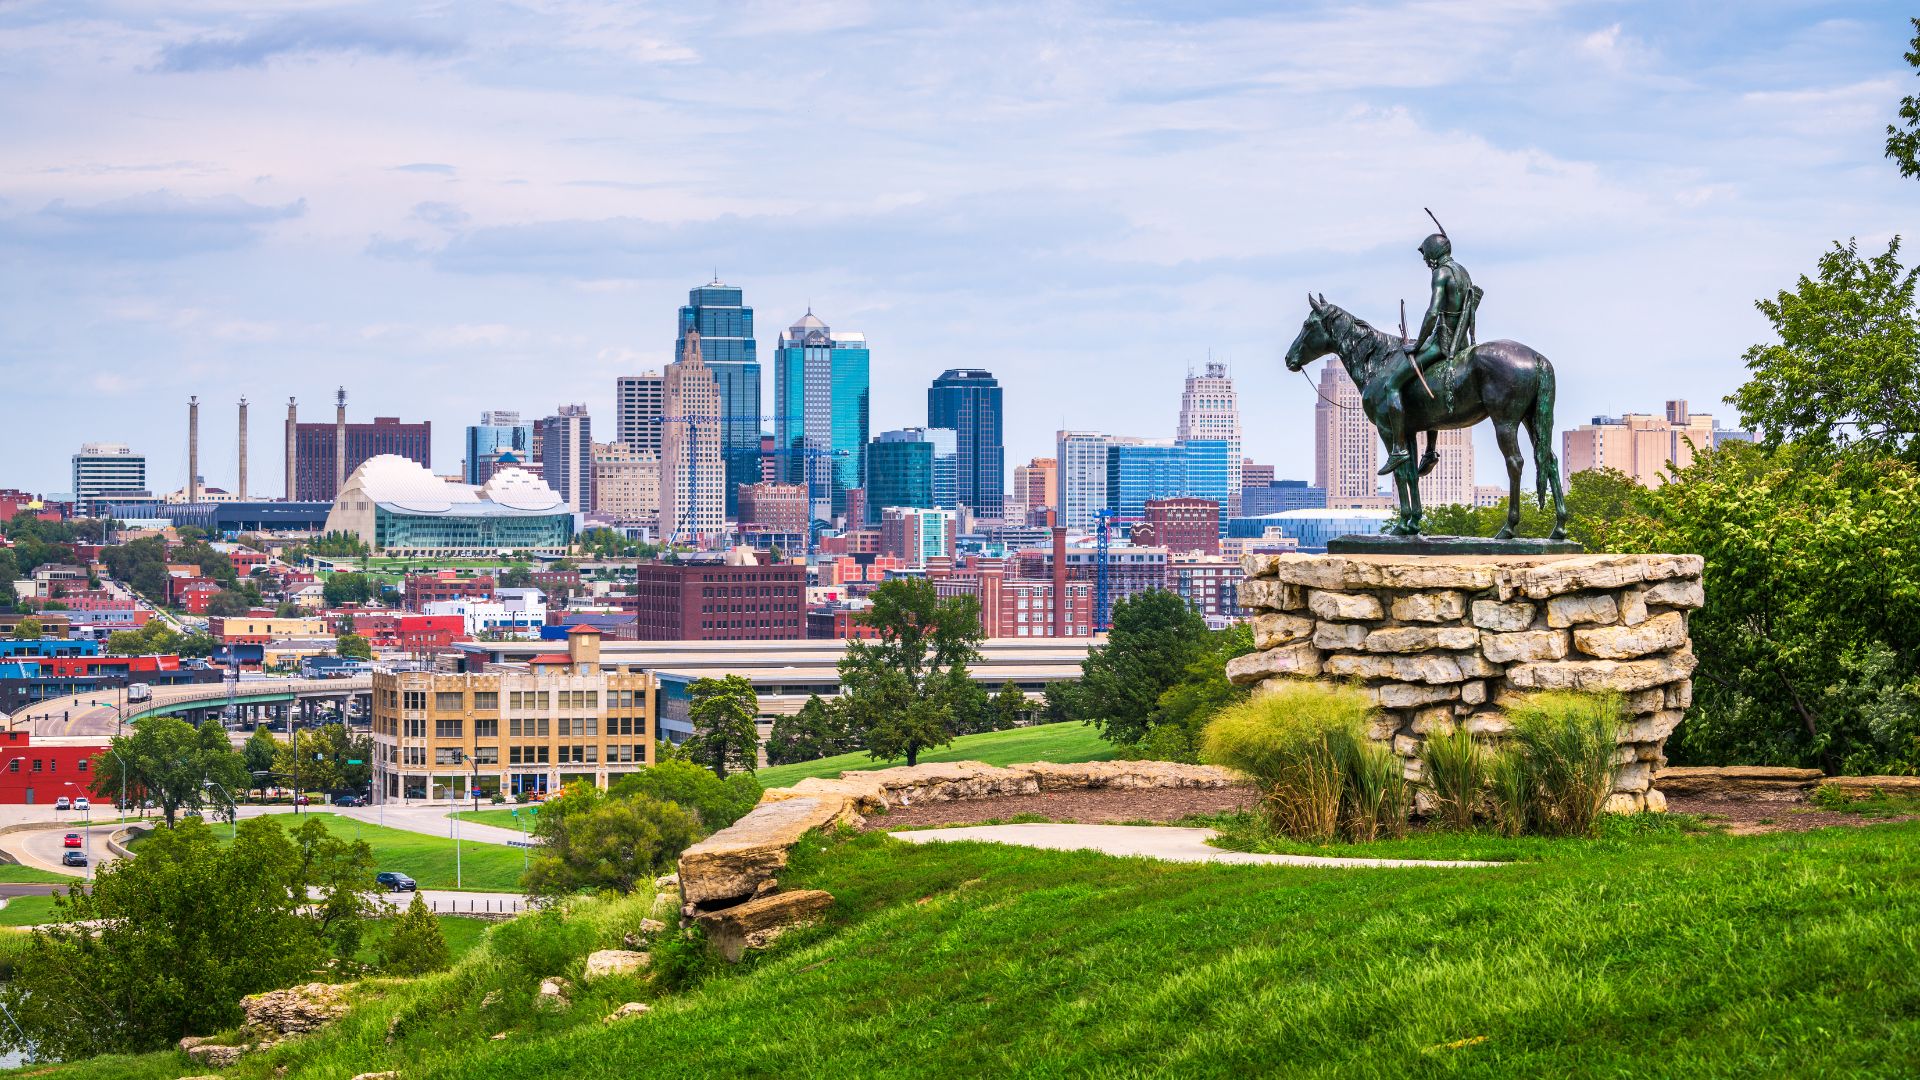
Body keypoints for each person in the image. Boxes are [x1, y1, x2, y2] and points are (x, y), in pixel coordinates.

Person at [1375, 228, 1480, 475]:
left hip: (1441, 342)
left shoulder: (1441, 273)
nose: (1425, 261)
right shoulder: (1461, 271)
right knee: (1427, 386)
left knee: (1392, 384)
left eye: (1426, 255)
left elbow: (1433, 312)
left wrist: (1418, 344)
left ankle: (1399, 449)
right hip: (1461, 340)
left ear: (1434, 252)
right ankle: (1430, 451)